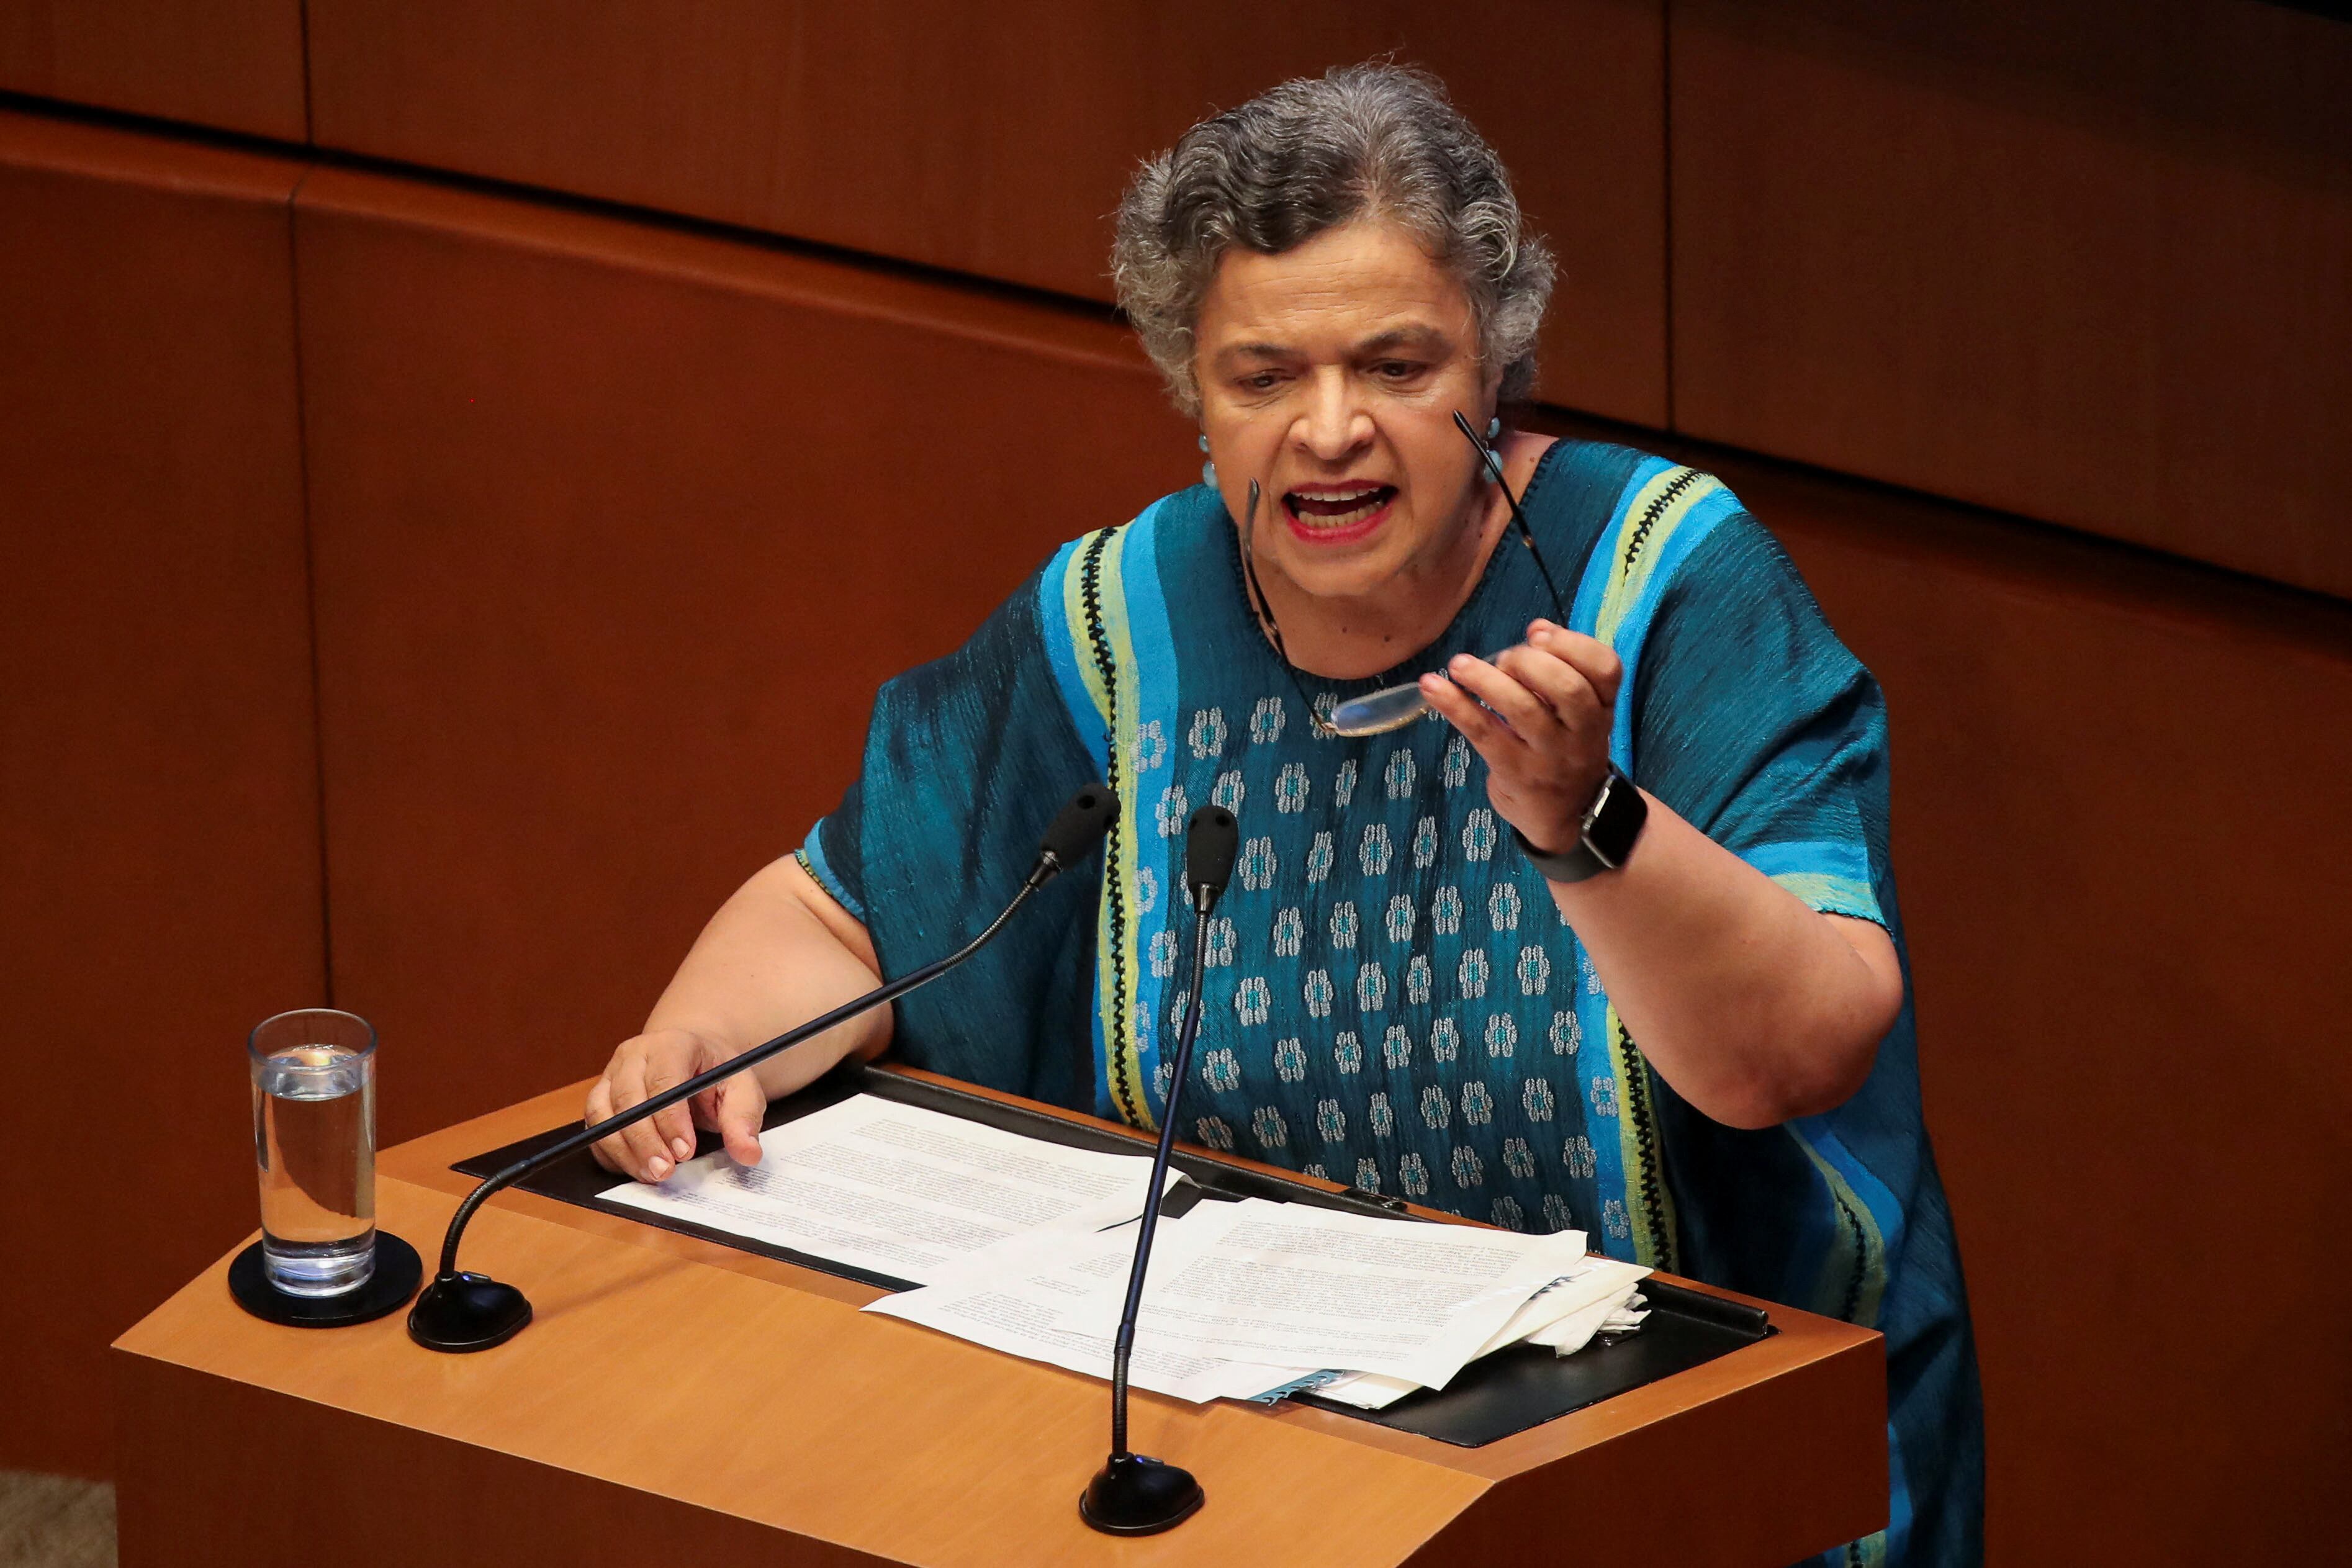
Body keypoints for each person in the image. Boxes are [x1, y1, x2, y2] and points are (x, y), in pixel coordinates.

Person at [586, 63, 1981, 1567]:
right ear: (1193, 396)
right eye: (1263, 379)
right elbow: (837, 908)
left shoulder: (1661, 580)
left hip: (1666, 1469)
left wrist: (1583, 821)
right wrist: (701, 1050)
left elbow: (1808, 1045)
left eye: (1393, 366)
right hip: (1239, 1466)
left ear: (1492, 364)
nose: (1329, 431)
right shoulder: (1113, 623)